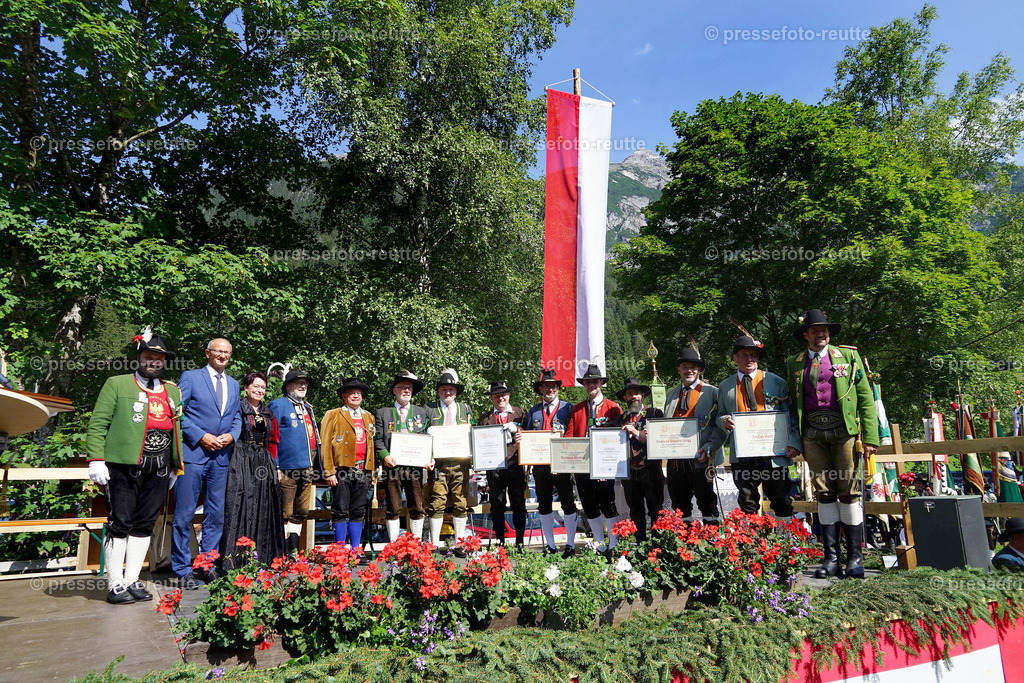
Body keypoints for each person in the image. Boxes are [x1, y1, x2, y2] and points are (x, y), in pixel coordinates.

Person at [86, 330, 182, 604]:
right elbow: (97, 424)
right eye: (149, 357)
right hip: (124, 466)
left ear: (165, 363)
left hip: (160, 468)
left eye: (159, 359)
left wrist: (177, 465)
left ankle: (132, 579)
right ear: (139, 358)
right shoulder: (117, 384)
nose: (153, 362)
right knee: (120, 523)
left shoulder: (173, 391)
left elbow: (178, 429)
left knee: (145, 524)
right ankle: (115, 582)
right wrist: (96, 459)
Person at [786, 309, 878, 580]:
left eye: (824, 330)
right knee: (823, 492)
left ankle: (855, 558)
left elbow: (865, 397)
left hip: (843, 432)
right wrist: (794, 440)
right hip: (812, 434)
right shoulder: (795, 362)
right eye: (815, 330)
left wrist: (871, 437)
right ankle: (831, 558)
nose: (821, 334)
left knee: (849, 490)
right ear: (806, 335)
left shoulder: (848, 356)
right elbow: (792, 406)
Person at [173, 338, 241, 589]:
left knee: (216, 515)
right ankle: (182, 568)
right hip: (193, 454)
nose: (222, 356)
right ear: (208, 353)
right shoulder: (190, 377)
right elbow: (177, 413)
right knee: (184, 513)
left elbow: (236, 418)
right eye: (218, 352)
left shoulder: (234, 385)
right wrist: (201, 435)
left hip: (221, 457)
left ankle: (207, 564)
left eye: (227, 353)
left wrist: (232, 435)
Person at [714, 335, 802, 522]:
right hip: (742, 455)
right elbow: (719, 415)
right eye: (744, 355)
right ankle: (753, 545)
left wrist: (794, 443)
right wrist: (724, 421)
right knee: (747, 501)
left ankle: (787, 544)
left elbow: (791, 415)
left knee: (781, 498)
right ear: (735, 358)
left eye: (753, 355)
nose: (749, 359)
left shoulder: (776, 382)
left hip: (774, 452)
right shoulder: (725, 386)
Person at [221, 371, 285, 570]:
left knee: (263, 506)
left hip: (263, 461)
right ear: (246, 387)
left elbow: (273, 441)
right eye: (256, 386)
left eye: (263, 388)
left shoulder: (268, 412)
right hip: (241, 457)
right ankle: (236, 560)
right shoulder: (238, 407)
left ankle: (263, 557)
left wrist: (276, 466)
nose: (259, 390)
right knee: (241, 504)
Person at [564, 363, 623, 554]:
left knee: (608, 503)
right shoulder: (577, 409)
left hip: (605, 465)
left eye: (595, 382)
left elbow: (618, 439)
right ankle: (600, 544)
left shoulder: (613, 408)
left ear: (601, 383)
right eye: (588, 382)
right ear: (584, 385)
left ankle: (614, 544)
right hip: (582, 465)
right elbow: (570, 436)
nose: (591, 386)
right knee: (588, 504)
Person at [663, 349, 722, 524]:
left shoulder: (712, 392)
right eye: (685, 367)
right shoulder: (671, 394)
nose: (689, 370)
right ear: (678, 370)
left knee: (708, 504)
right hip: (676, 461)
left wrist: (710, 447)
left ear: (699, 370)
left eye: (693, 367)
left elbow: (720, 426)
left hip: (701, 458)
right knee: (680, 507)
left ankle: (712, 545)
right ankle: (686, 546)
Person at [524, 368, 578, 556]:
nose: (550, 389)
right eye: (546, 386)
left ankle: (570, 544)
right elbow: (528, 437)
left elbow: (572, 435)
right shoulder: (533, 411)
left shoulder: (568, 408)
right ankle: (551, 545)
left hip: (562, 465)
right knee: (544, 504)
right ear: (541, 389)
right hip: (540, 467)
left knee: (568, 503)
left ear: (557, 388)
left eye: (553, 386)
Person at [321, 376, 376, 557]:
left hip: (363, 470)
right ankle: (339, 550)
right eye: (351, 393)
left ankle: (355, 549)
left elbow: (371, 446)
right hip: (342, 470)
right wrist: (329, 471)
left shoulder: (368, 417)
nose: (355, 396)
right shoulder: (333, 415)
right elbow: (326, 445)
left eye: (358, 393)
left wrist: (372, 472)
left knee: (358, 510)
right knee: (340, 510)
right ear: (344, 396)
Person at [269, 369, 322, 554]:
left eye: (305, 383)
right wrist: (274, 465)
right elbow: (271, 438)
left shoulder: (308, 407)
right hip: (286, 468)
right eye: (299, 382)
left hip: (307, 468)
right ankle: (280, 553)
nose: (303, 386)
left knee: (301, 512)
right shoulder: (278, 405)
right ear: (288, 386)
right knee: (285, 513)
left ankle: (292, 551)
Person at [374, 370, 431, 543]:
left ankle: (416, 543)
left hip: (415, 468)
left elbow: (429, 438)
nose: (406, 391)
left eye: (409, 388)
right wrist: (384, 456)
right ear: (394, 390)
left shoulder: (422, 412)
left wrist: (429, 457)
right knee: (393, 507)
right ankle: (393, 544)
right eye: (402, 388)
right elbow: (377, 439)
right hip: (393, 467)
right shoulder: (382, 413)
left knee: (417, 507)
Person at [425, 369, 475, 551]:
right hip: (439, 464)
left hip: (461, 463)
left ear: (456, 392)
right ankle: (435, 543)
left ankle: (460, 543)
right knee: (437, 501)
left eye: (451, 390)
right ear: (439, 391)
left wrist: (475, 461)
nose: (448, 393)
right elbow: (422, 436)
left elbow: (474, 435)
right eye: (444, 389)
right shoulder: (429, 409)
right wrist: (428, 455)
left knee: (461, 501)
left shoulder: (465, 409)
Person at [478, 380, 527, 547]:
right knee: (497, 506)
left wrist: (520, 432)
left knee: (518, 504)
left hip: (516, 467)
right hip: (495, 470)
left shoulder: (521, 413)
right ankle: (500, 542)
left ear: (509, 395)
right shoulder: (485, 418)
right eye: (497, 395)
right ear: (491, 398)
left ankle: (519, 543)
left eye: (503, 394)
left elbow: (533, 439)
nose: (501, 398)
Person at [619, 378, 666, 542]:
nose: (634, 396)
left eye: (637, 393)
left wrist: (636, 433)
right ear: (625, 397)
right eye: (630, 393)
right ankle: (640, 547)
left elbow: (660, 440)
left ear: (643, 395)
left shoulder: (654, 414)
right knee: (635, 512)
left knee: (656, 511)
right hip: (630, 474)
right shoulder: (620, 419)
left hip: (651, 471)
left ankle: (657, 549)